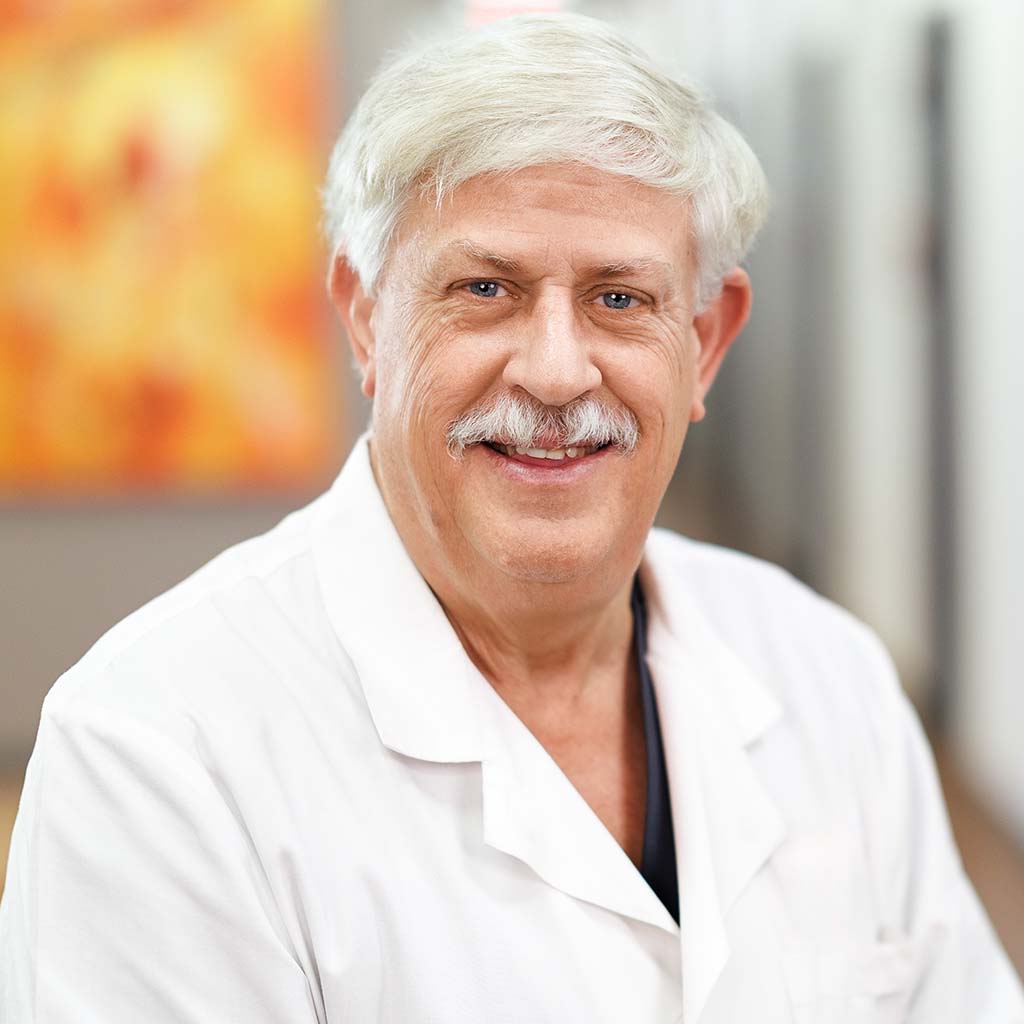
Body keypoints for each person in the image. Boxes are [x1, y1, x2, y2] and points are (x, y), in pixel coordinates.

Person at [2, 12, 1022, 1023]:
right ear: (366, 316)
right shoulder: (156, 754)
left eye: (619, 299)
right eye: (484, 288)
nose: (555, 372)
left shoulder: (828, 677)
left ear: (704, 344)